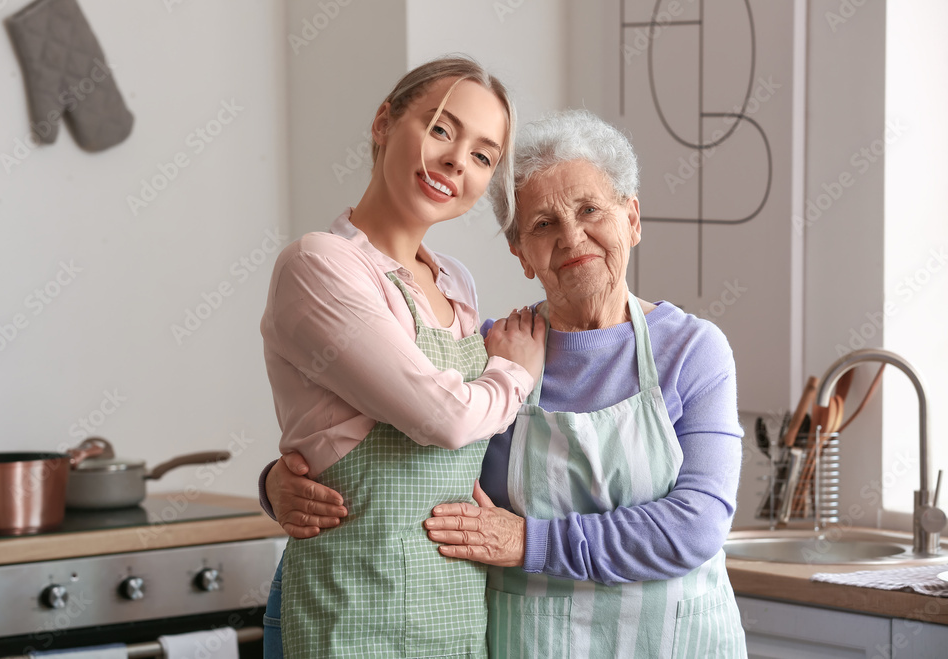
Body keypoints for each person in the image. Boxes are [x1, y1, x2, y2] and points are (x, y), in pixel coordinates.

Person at [267, 109, 748, 657]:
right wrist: (280, 482)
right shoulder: (494, 354)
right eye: (543, 224)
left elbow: (695, 526)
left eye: (590, 210)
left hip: (673, 640)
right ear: (520, 253)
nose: (572, 237)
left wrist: (528, 541)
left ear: (632, 219)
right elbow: (395, 455)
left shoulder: (692, 350)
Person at [258, 56, 547, 659]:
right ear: (384, 122)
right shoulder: (320, 265)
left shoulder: (456, 283)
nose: (455, 162)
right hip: (351, 608)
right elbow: (443, 417)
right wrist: (514, 371)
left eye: (483, 156)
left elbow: (463, 441)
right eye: (442, 129)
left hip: (452, 605)